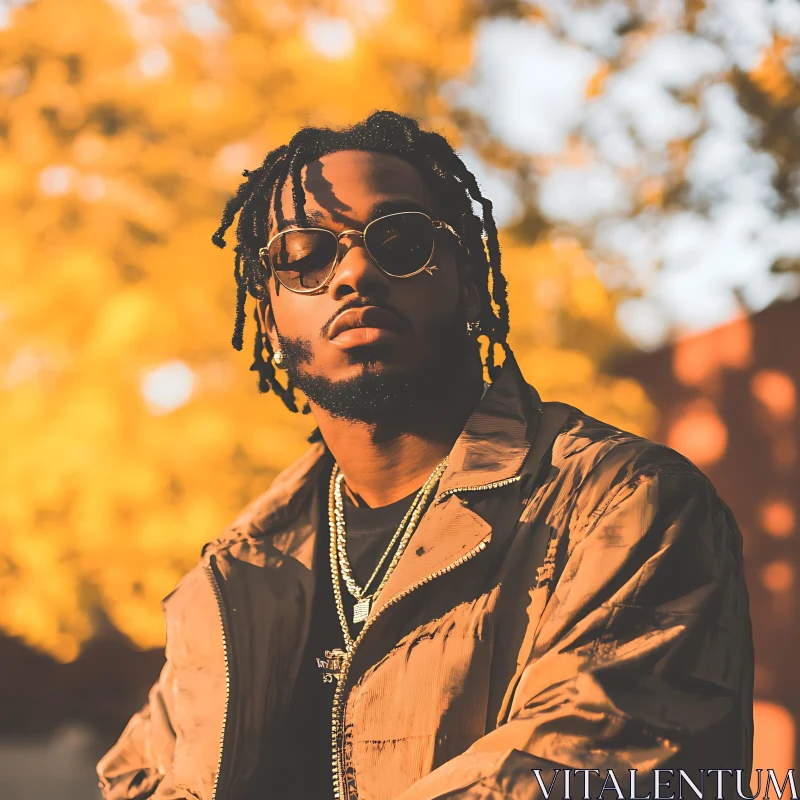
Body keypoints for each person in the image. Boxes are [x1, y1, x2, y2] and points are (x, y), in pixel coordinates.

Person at [96, 111, 753, 800]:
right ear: (269, 319)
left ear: (468, 284)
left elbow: (591, 769)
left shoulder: (621, 506)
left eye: (400, 240)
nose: (352, 271)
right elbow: (135, 779)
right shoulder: (238, 571)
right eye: (304, 255)